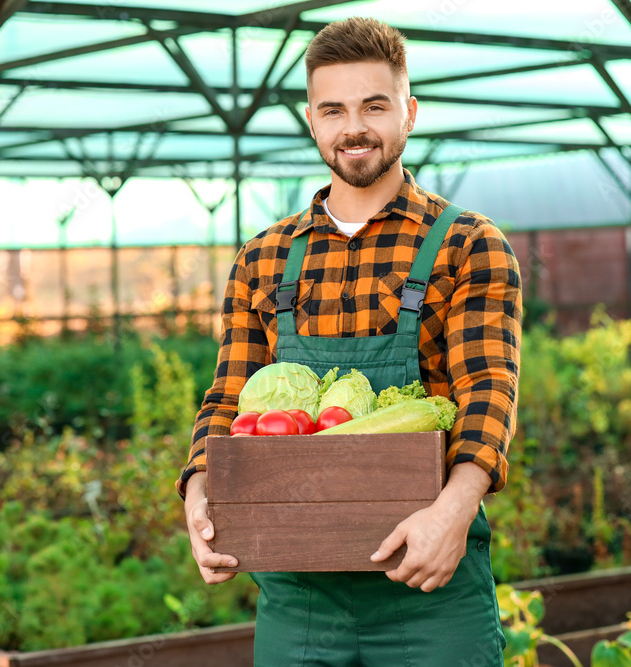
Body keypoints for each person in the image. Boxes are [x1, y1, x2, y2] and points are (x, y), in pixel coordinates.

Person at [176, 16, 521, 666]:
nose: (353, 127)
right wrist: (199, 492)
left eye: (374, 105)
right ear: (311, 120)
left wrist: (452, 514)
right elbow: (226, 397)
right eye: (333, 109)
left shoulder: (468, 244)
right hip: (298, 594)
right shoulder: (265, 257)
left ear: (409, 112)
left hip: (430, 588)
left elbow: (488, 395)